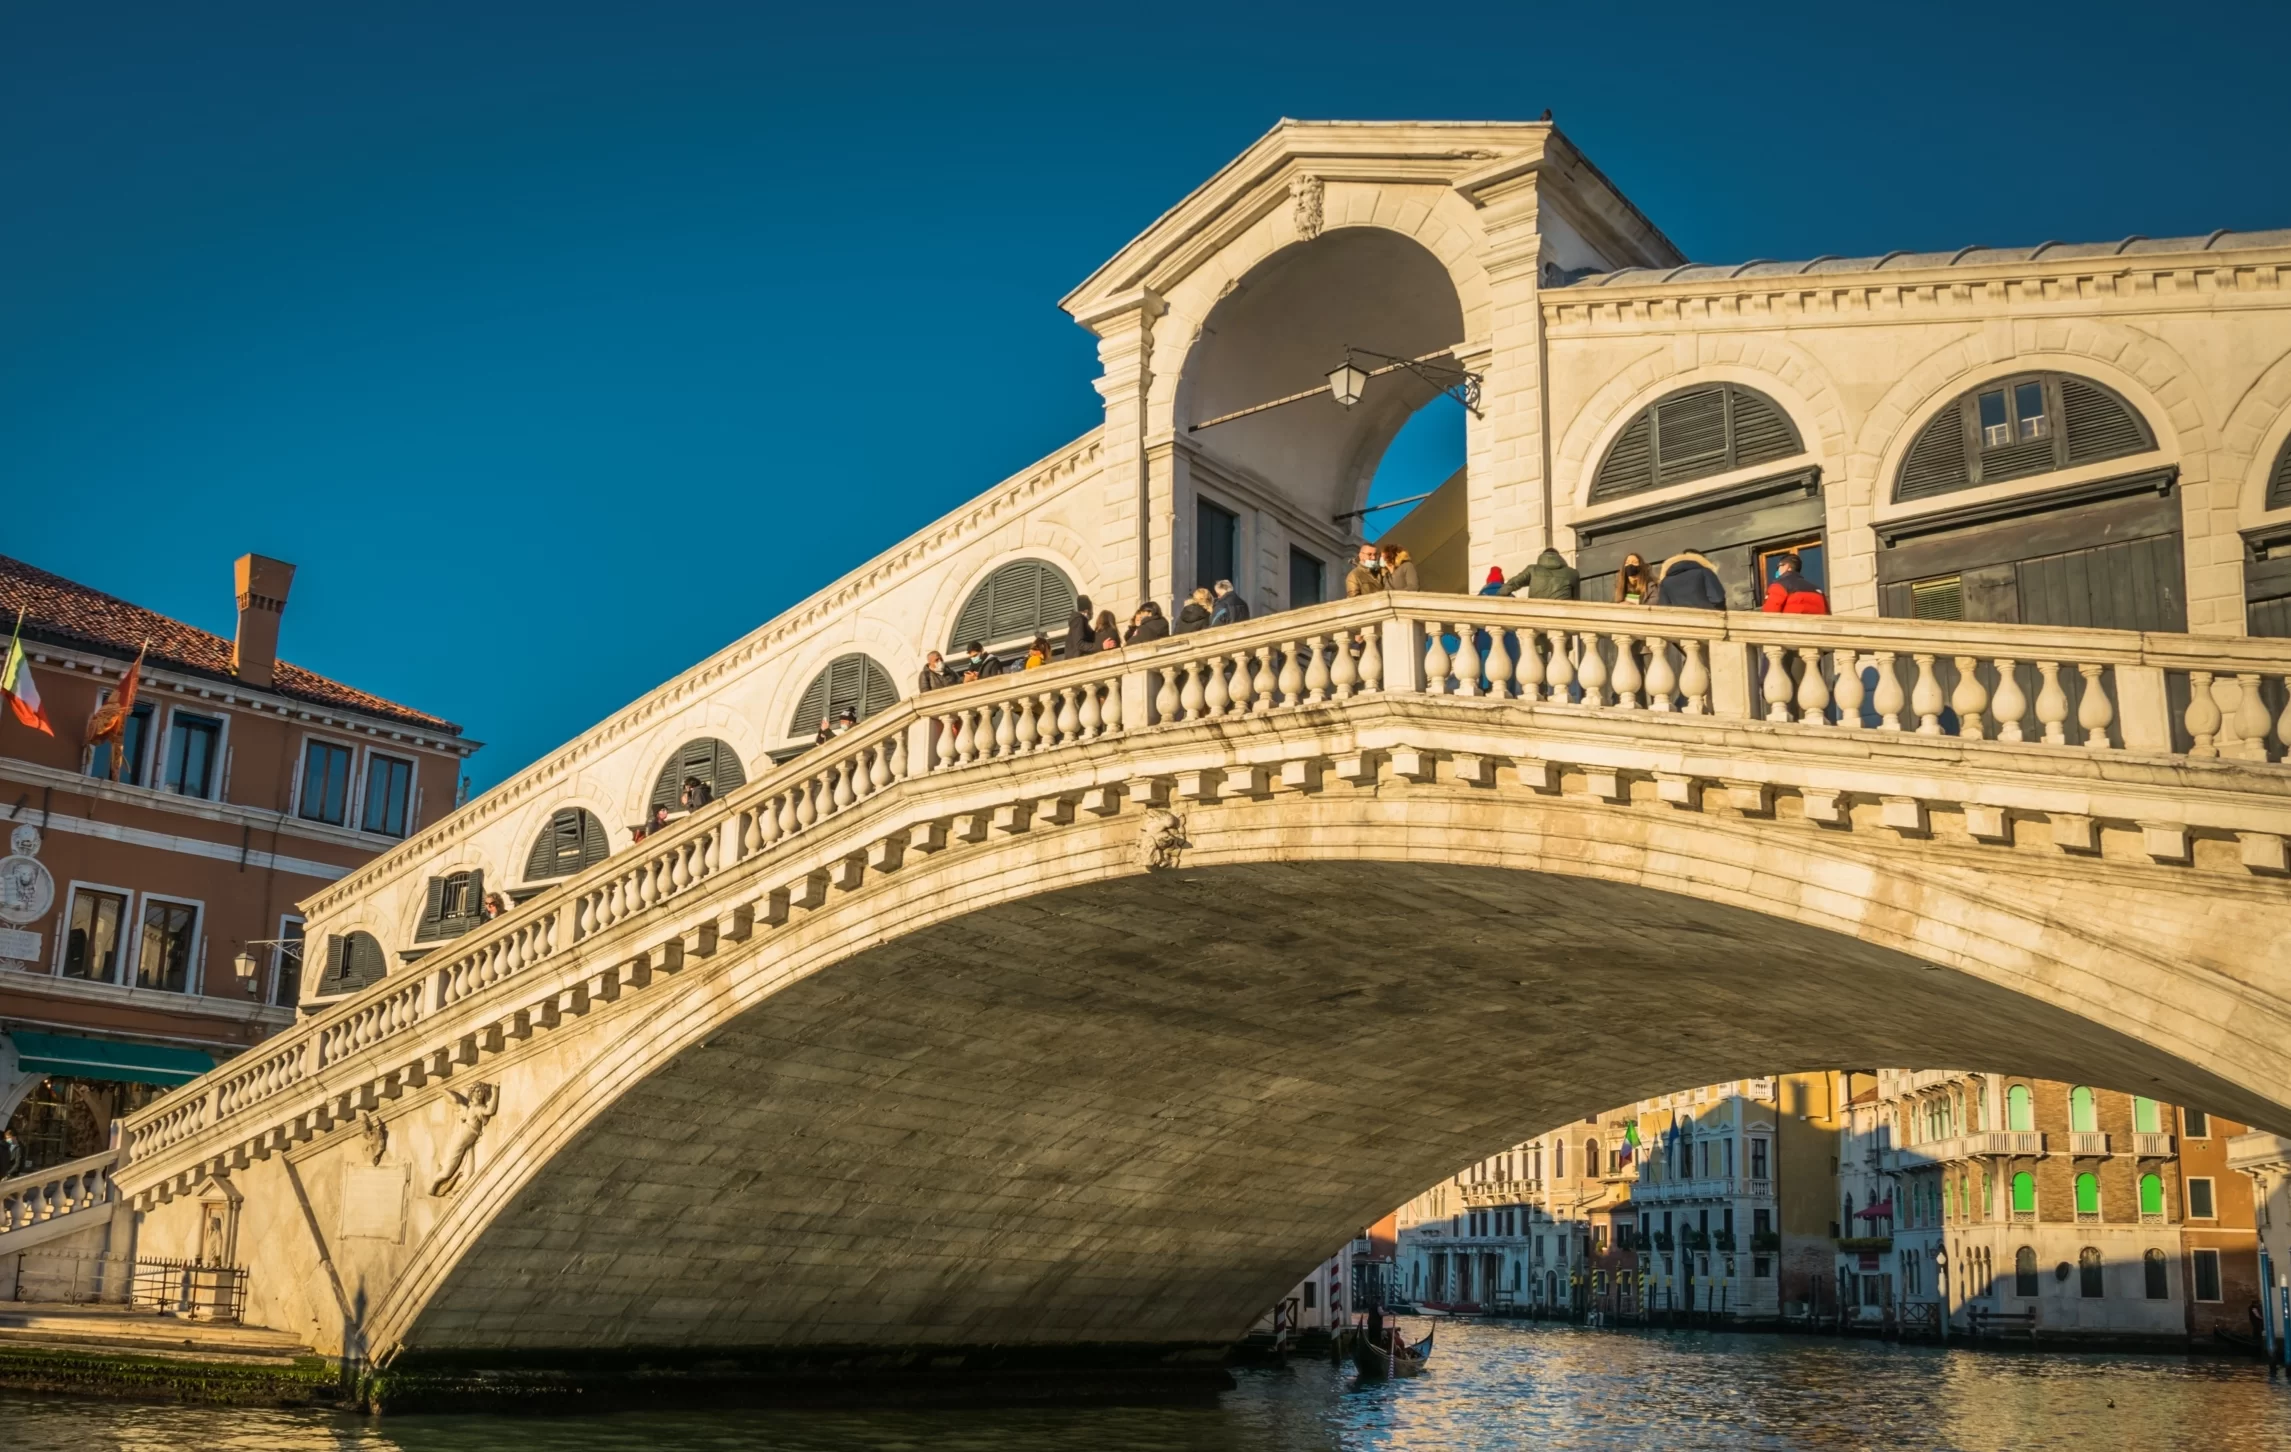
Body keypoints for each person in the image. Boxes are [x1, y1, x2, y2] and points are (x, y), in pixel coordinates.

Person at [1651, 551, 1727, 610]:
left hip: (1681, 622)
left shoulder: (1665, 582)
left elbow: (1665, 608)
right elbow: (1717, 598)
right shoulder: (1704, 572)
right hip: (1708, 619)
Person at [1761, 552, 1829, 615]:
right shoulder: (1818, 591)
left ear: (1787, 567)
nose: (1777, 570)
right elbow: (1827, 615)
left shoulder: (1779, 586)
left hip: (1790, 623)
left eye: (1778, 566)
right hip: (1815, 624)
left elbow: (1770, 613)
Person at [1509, 547, 1579, 600]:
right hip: (1562, 611)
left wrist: (1505, 598)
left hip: (1537, 610)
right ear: (1559, 557)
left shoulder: (1532, 570)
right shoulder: (1572, 573)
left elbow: (1512, 584)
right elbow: (1576, 601)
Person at [1063, 595, 1096, 660]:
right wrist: (1097, 646)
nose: (1092, 613)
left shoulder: (1080, 621)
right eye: (1091, 609)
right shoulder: (1078, 620)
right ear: (1086, 611)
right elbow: (1079, 644)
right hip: (1076, 660)